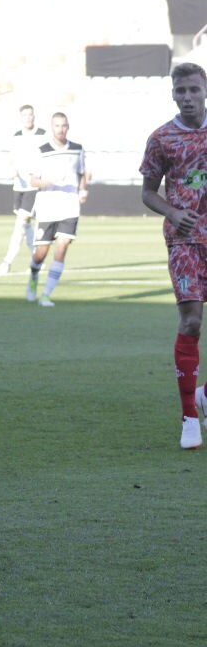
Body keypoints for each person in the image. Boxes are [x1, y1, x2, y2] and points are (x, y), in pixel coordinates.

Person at [140, 62, 207, 450]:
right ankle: (189, 418)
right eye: (180, 91)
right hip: (183, 241)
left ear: (204, 91)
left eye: (193, 90)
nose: (187, 98)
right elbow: (148, 192)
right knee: (193, 322)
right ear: (172, 93)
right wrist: (172, 211)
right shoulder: (162, 138)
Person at [25, 112, 87, 308]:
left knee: (62, 248)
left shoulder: (77, 149)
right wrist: (50, 181)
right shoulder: (41, 150)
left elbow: (82, 172)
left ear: (68, 127)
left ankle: (46, 295)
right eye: (57, 126)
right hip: (48, 207)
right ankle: (34, 274)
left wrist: (83, 189)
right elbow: (33, 180)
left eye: (64, 126)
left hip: (69, 206)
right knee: (41, 254)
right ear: (52, 128)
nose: (61, 129)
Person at [0, 104, 46, 275]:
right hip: (19, 185)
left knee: (21, 224)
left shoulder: (42, 135)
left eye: (30, 114)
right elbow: (12, 158)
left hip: (33, 185)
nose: (28, 118)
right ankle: (37, 257)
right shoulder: (16, 136)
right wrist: (11, 169)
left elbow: (47, 157)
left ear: (34, 116)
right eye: (25, 115)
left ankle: (6, 262)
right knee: (25, 225)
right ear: (20, 117)